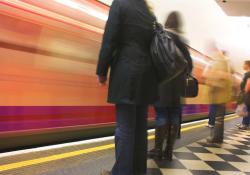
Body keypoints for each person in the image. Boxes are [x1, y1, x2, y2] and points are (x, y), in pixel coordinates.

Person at [96, 0, 158, 175]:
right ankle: (138, 171)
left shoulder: (120, 4)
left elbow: (109, 40)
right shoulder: (147, 11)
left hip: (127, 73)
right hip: (146, 77)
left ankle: (121, 172)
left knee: (125, 128)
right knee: (139, 129)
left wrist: (102, 70)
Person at [148, 11, 193, 161]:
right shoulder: (182, 41)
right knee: (174, 116)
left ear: (167, 22)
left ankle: (158, 149)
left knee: (161, 115)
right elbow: (189, 66)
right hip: (178, 89)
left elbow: (154, 59)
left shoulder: (161, 37)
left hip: (162, 85)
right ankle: (169, 150)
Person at [203, 46, 233, 144]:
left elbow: (220, 78)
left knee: (218, 118)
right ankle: (217, 138)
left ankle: (216, 139)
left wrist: (210, 78)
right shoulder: (227, 62)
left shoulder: (221, 62)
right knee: (219, 118)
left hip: (219, 94)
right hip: (222, 95)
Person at [237, 61, 250, 130]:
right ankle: (245, 123)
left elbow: (248, 83)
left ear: (247, 65)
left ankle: (245, 124)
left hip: (247, 94)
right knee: (247, 108)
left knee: (246, 108)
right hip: (247, 94)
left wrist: (244, 92)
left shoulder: (248, 73)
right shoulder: (247, 73)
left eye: (244, 64)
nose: (243, 66)